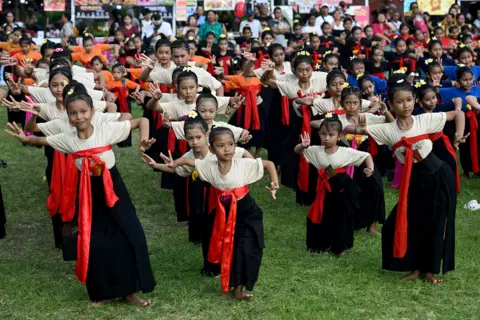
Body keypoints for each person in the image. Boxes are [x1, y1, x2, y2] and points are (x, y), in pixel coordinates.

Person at [5, 84, 157, 305]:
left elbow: (142, 121)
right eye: (73, 113)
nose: (79, 117)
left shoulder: (105, 130)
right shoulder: (68, 139)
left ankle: (130, 290)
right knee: (94, 241)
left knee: (129, 235)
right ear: (68, 116)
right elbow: (37, 139)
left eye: (83, 111)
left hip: (113, 189)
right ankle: (102, 292)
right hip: (88, 192)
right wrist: (25, 136)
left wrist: (143, 141)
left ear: (92, 112)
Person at [349, 83, 466, 283]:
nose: (405, 105)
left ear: (415, 101)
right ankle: (413, 268)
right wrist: (356, 125)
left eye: (409, 100)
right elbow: (351, 128)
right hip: (415, 180)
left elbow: (458, 115)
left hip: (439, 176)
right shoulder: (386, 130)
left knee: (436, 223)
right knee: (397, 224)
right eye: (400, 101)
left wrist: (457, 136)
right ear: (392, 105)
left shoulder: (423, 119)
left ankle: (428, 270)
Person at [161, 126, 279, 300]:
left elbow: (268, 164)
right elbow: (188, 162)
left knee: (247, 248)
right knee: (230, 250)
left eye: (231, 144)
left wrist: (275, 183)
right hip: (225, 213)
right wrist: (175, 163)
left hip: (248, 213)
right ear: (212, 149)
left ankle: (240, 288)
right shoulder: (209, 166)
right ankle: (235, 289)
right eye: (221, 146)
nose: (227, 149)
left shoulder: (242, 164)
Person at [294, 114, 373, 255]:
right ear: (319, 134)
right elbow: (298, 151)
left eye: (331, 135)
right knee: (321, 214)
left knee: (340, 216)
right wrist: (303, 145)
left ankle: (339, 247)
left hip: (342, 187)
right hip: (323, 187)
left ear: (339, 136)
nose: (327, 138)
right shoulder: (315, 150)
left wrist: (370, 168)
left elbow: (366, 156)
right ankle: (320, 245)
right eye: (324, 134)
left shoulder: (345, 151)